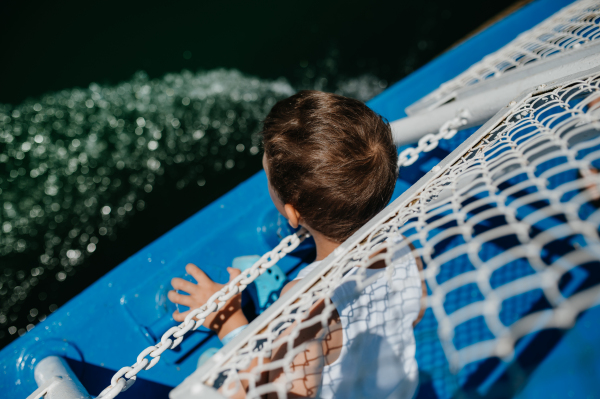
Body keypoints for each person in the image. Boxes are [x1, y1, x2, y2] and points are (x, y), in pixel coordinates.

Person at [168, 90, 426, 398]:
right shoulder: (400, 244)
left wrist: (228, 320)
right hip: (399, 389)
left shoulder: (305, 299)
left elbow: (275, 391)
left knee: (209, 364)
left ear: (292, 212)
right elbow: (417, 309)